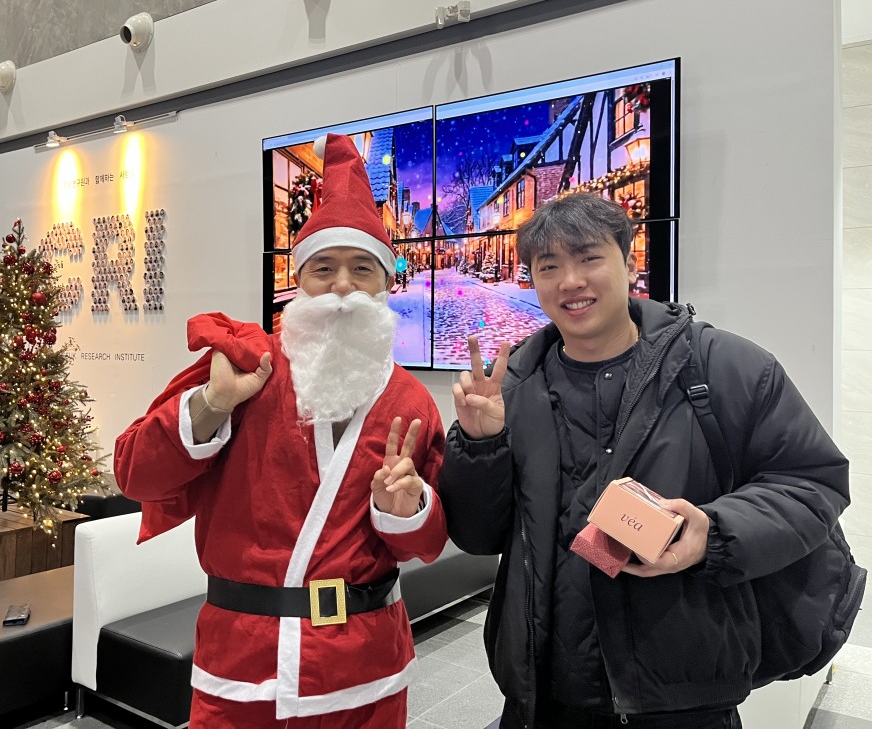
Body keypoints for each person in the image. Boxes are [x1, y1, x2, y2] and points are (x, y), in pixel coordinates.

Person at [439, 192, 850, 728]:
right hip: (543, 695)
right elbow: (477, 535)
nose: (570, 281)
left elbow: (813, 482)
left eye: (589, 258)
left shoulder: (723, 366)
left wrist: (714, 533)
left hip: (682, 692)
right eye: (549, 267)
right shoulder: (512, 387)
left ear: (630, 265)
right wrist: (480, 445)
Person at [114, 133, 448, 729]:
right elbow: (135, 474)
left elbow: (424, 545)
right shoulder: (245, 367)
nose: (342, 285)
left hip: (364, 672)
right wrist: (212, 404)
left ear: (386, 284)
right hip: (243, 669)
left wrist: (407, 509)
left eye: (362, 269)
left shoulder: (413, 401)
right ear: (299, 279)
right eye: (324, 268)